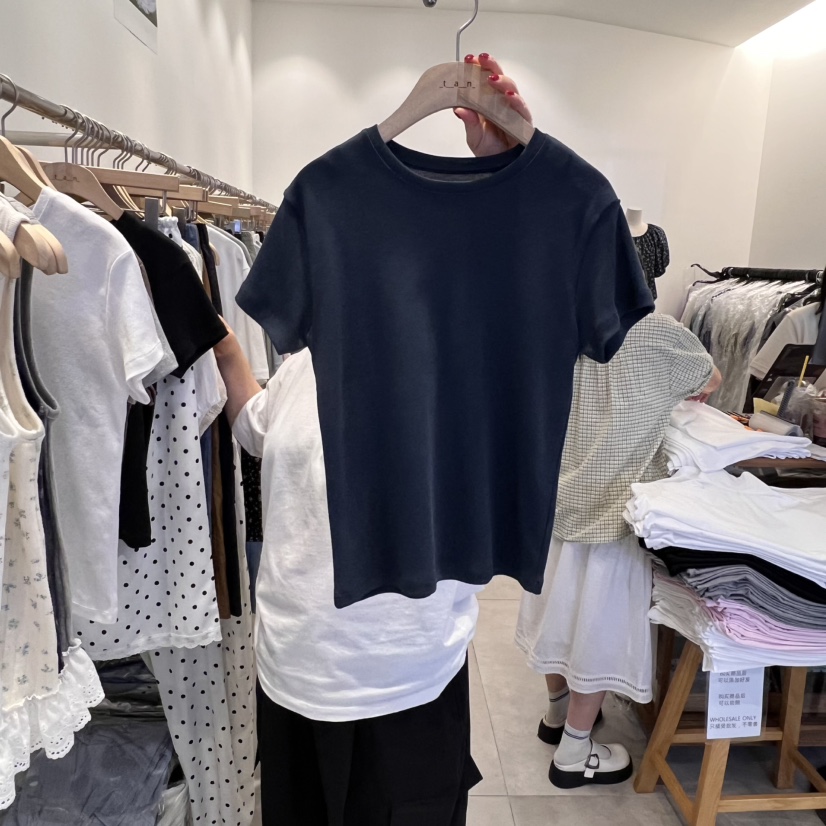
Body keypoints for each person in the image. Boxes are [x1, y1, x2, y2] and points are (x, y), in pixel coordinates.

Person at [214, 53, 529, 826]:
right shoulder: (307, 362)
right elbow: (256, 431)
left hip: (405, 682)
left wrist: (515, 165)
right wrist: (221, 349)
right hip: (291, 673)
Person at [515, 316, 722, 789]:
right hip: (616, 502)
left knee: (557, 607)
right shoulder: (656, 329)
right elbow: (711, 378)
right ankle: (575, 750)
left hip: (557, 494)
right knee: (599, 625)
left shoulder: (550, 320)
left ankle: (557, 716)